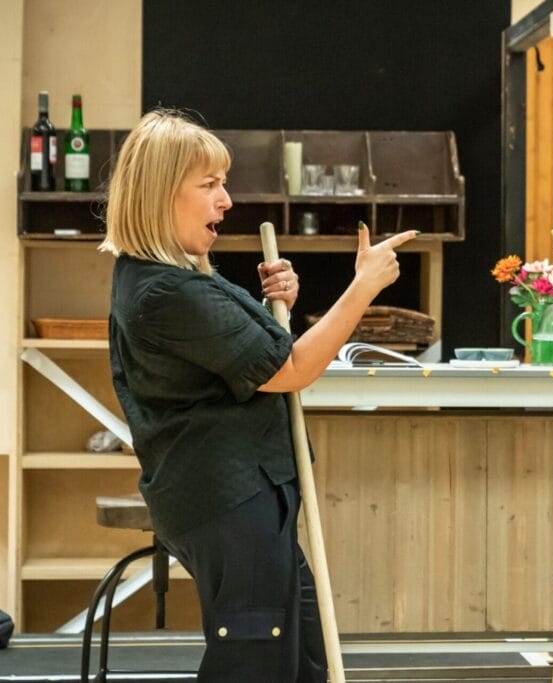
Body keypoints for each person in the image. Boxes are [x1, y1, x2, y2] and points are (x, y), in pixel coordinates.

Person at [99, 109, 416, 681]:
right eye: (210, 185)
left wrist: (282, 310)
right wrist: (363, 287)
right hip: (228, 498)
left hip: (243, 494)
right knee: (255, 662)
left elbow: (256, 353)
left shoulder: (178, 275)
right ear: (160, 193)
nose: (226, 201)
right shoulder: (166, 289)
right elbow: (290, 369)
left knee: (299, 657)